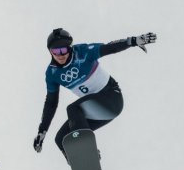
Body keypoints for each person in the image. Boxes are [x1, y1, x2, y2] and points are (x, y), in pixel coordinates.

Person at [33, 28, 157, 161]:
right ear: (50, 52)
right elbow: (51, 103)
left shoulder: (83, 52)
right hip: (96, 111)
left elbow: (108, 48)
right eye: (56, 51)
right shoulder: (52, 74)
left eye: (64, 50)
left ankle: (89, 152)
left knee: (73, 109)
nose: (61, 55)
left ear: (70, 48)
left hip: (111, 98)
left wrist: (133, 41)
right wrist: (42, 131)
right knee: (62, 139)